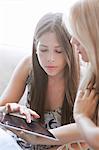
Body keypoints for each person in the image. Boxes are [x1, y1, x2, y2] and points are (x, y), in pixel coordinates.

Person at [0, 12, 82, 150]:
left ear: (71, 50)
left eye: (59, 51)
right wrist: (12, 111)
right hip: (22, 145)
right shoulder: (29, 65)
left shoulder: (83, 76)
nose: (50, 58)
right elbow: (1, 110)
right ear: (35, 46)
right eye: (43, 49)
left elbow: (87, 134)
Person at [66, 0, 99, 149]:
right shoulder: (93, 74)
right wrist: (37, 136)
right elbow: (84, 129)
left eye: (77, 32)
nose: (72, 41)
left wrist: (80, 116)